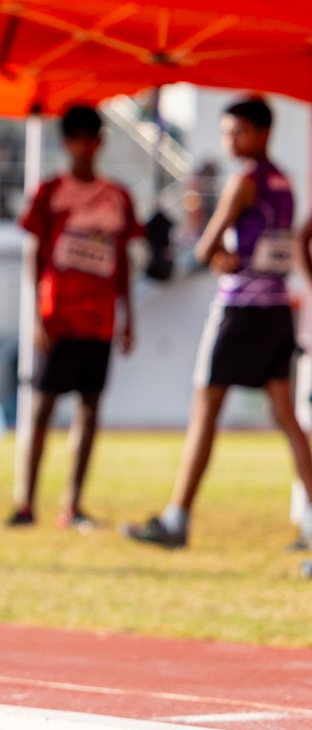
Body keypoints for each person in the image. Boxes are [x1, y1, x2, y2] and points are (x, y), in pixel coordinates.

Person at [125, 97, 312, 551]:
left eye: (237, 132)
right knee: (287, 416)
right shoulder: (284, 182)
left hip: (239, 310)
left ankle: (177, 518)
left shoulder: (243, 181)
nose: (229, 141)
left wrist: (218, 256)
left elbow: (207, 247)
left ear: (261, 132)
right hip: (275, 311)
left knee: (205, 411)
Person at [7, 106, 140, 530]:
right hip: (59, 317)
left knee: (90, 408)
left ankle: (73, 505)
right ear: (66, 144)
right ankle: (25, 503)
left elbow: (122, 260)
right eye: (77, 139)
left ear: (100, 142)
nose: (84, 147)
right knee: (43, 407)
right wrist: (35, 316)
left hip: (99, 320)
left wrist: (128, 314)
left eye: (91, 138)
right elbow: (34, 253)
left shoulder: (118, 197)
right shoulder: (50, 193)